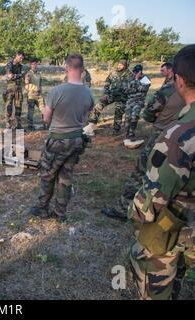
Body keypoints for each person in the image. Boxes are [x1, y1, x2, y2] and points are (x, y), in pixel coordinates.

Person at [128, 44, 195, 300]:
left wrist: (132, 211)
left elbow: (150, 203)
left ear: (179, 80)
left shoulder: (178, 136)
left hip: (176, 229)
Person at [102, 63, 185, 221]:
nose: (161, 71)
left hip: (163, 135)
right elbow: (128, 90)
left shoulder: (167, 89)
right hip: (183, 138)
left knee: (141, 170)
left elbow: (148, 113)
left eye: (163, 69)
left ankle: (124, 208)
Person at [28, 53, 94, 222]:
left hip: (58, 140)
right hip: (77, 140)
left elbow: (46, 119)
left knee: (48, 174)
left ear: (66, 68)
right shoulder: (89, 94)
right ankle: (60, 214)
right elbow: (86, 119)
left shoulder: (57, 91)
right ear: (82, 69)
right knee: (66, 176)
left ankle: (42, 208)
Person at [84, 59, 133, 135]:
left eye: (121, 65)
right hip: (111, 94)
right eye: (118, 64)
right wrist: (106, 92)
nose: (119, 66)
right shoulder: (114, 72)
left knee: (118, 112)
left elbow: (133, 86)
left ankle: (116, 130)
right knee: (99, 104)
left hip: (123, 97)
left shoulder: (130, 75)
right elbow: (107, 81)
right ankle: (91, 125)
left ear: (125, 65)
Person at [124, 64, 151, 139]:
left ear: (140, 72)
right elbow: (126, 90)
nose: (134, 73)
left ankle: (131, 133)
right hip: (129, 101)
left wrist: (135, 80)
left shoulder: (146, 79)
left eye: (136, 72)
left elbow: (143, 89)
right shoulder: (130, 78)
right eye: (134, 72)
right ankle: (127, 133)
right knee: (127, 117)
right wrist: (136, 84)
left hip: (139, 101)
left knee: (134, 116)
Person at [4, 52, 25, 129]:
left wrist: (16, 76)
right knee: (8, 106)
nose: (21, 59)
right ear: (16, 56)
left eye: (22, 58)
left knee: (18, 106)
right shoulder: (9, 65)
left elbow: (22, 75)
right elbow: (10, 76)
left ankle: (18, 124)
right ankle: (8, 123)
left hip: (18, 88)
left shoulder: (21, 66)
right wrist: (18, 75)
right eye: (20, 58)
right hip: (10, 88)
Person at [24, 58, 45, 131]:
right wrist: (33, 89)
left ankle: (45, 124)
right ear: (30, 65)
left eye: (35, 64)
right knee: (31, 111)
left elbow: (40, 84)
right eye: (32, 64)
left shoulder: (39, 74)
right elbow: (26, 85)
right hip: (31, 95)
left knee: (43, 110)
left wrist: (41, 91)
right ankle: (30, 126)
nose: (34, 65)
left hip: (39, 95)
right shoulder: (28, 74)